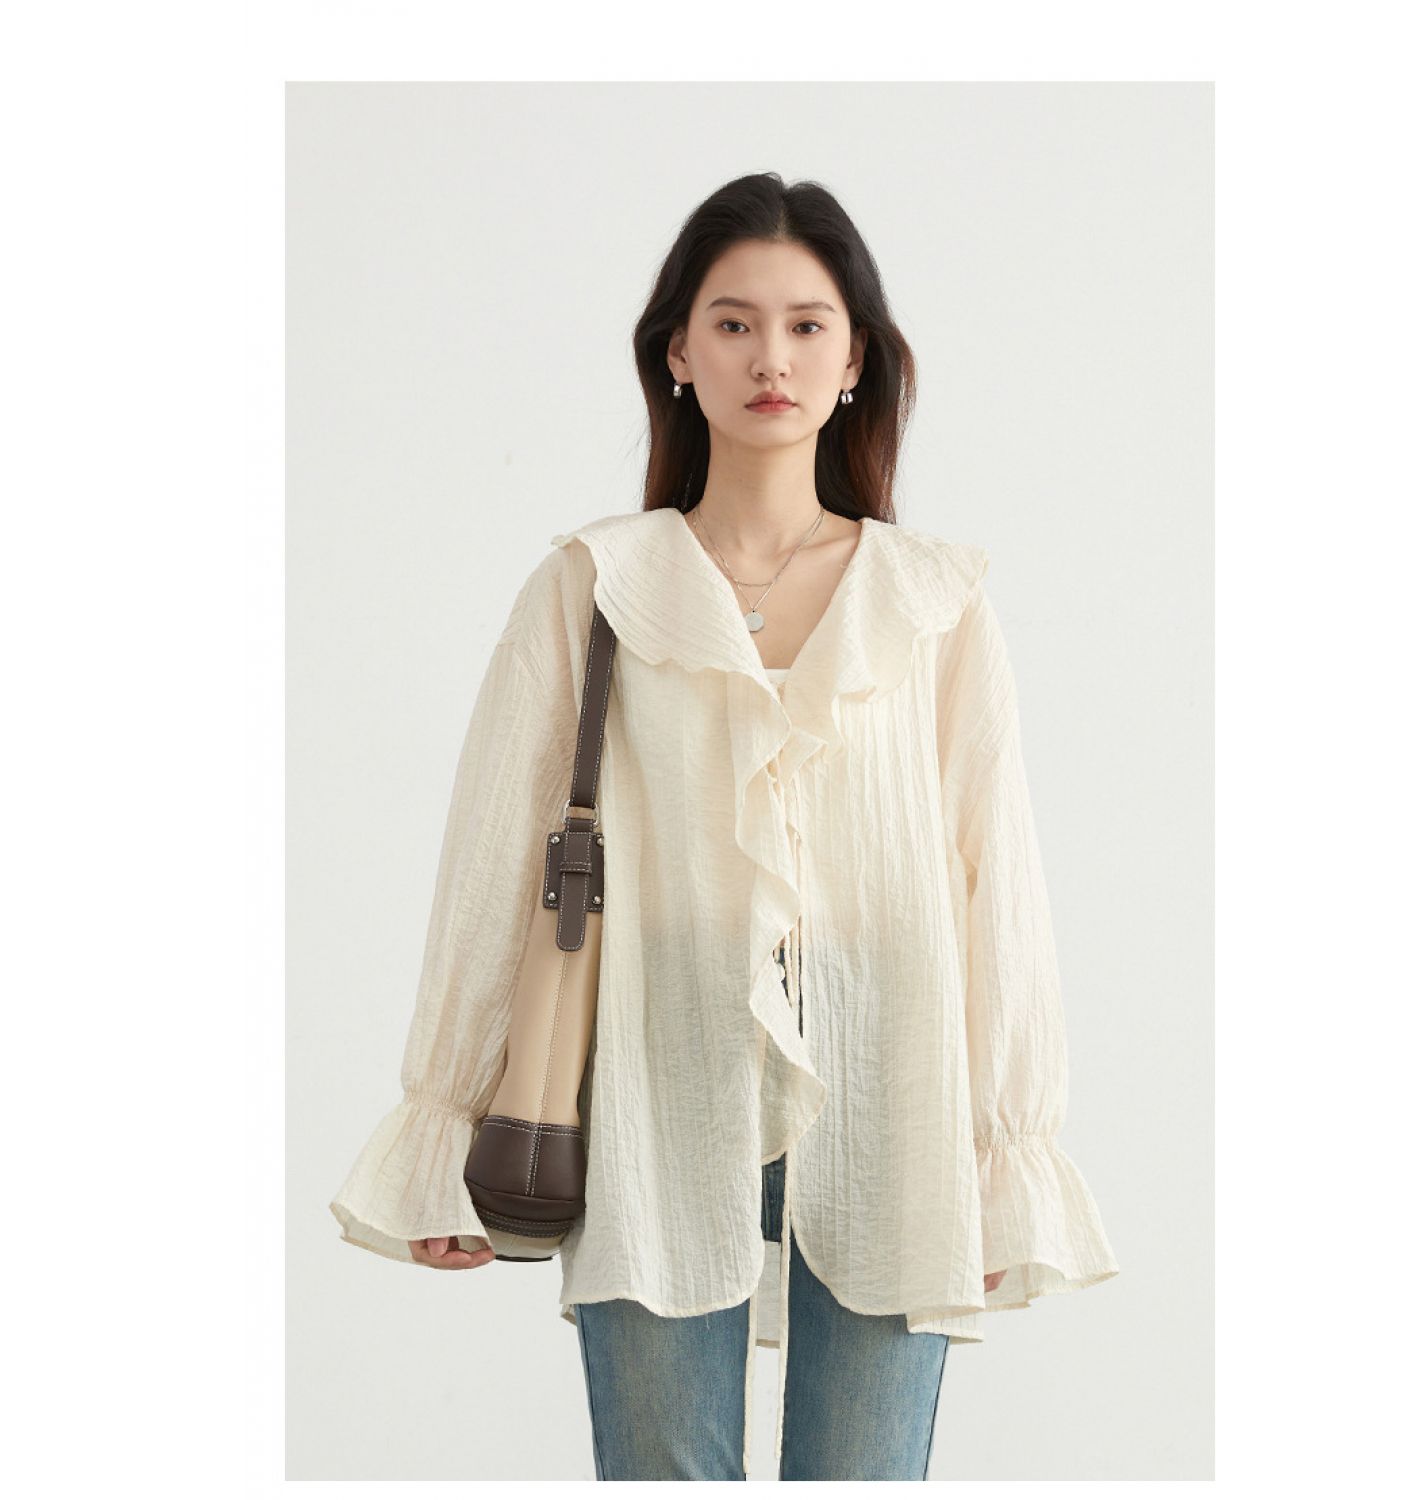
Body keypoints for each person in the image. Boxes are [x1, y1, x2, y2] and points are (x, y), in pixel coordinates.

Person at [330, 172, 1119, 1481]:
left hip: (891, 1092)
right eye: (736, 323)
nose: (772, 358)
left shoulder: (933, 601)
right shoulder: (597, 585)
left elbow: (1001, 885)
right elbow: (496, 859)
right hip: (653, 1085)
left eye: (808, 325)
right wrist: (447, 1117)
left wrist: (1002, 1153)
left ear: (856, 361)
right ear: (678, 354)